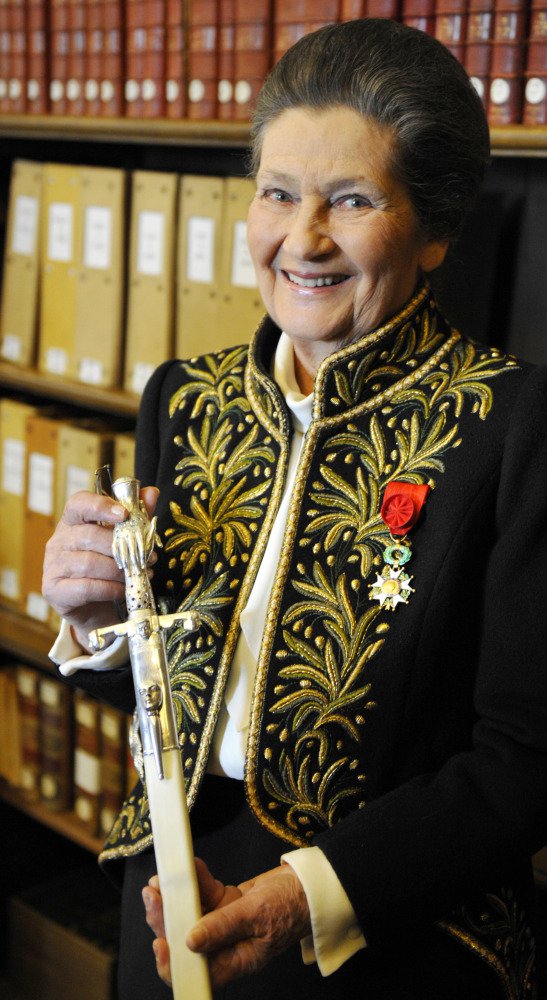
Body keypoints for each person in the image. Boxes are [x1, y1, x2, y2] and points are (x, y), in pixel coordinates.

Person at [42, 18, 547, 1000]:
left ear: (434, 229)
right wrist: (102, 623)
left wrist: (306, 895)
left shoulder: (514, 425)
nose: (301, 238)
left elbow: (525, 762)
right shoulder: (182, 400)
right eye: (276, 193)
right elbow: (166, 699)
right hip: (172, 894)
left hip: (393, 922)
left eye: (350, 200)